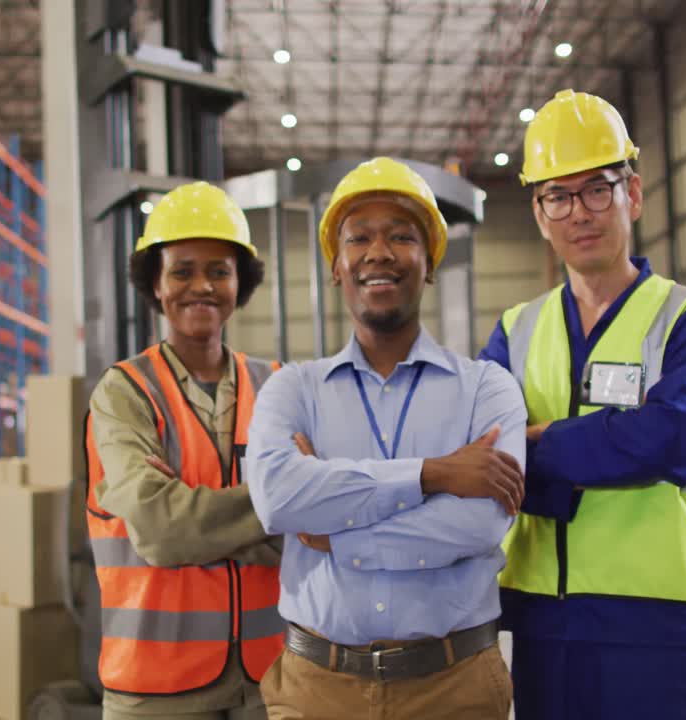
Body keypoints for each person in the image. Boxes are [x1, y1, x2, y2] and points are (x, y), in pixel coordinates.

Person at [479, 90, 686, 719]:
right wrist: (606, 445)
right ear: (540, 213)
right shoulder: (516, 330)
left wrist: (541, 444)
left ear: (634, 195)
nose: (580, 212)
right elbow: (487, 455)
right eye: (558, 196)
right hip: (542, 621)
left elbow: (673, 442)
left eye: (598, 188)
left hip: (654, 617)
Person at [243, 157, 527, 720]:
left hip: (455, 688)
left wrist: (334, 534)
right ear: (335, 266)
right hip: (316, 689)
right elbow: (278, 498)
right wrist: (434, 474)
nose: (379, 252)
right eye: (359, 238)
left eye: (402, 236)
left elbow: (481, 522)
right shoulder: (291, 389)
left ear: (429, 265)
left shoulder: (486, 389)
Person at [85, 182, 285, 720]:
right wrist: (277, 503)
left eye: (219, 271)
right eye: (182, 270)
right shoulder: (125, 391)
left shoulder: (278, 387)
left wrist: (195, 508)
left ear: (240, 283)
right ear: (155, 282)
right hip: (155, 687)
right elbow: (161, 529)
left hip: (271, 680)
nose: (202, 286)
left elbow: (316, 527)